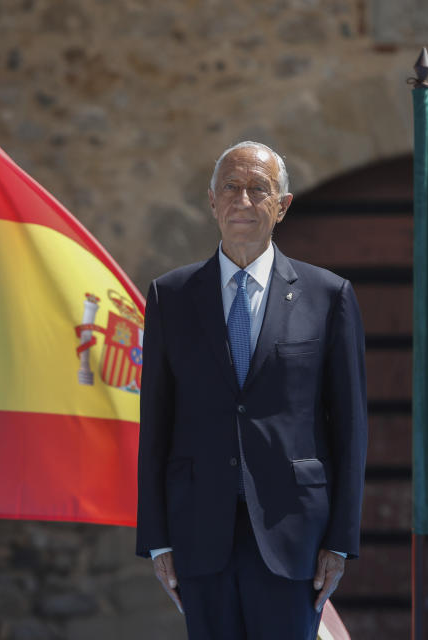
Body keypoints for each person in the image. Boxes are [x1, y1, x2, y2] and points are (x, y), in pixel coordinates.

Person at [136, 141, 367, 639]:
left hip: (295, 534)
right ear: (212, 202)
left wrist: (340, 541)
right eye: (230, 188)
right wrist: (157, 540)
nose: (242, 201)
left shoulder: (329, 297)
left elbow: (350, 428)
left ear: (281, 206)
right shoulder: (169, 296)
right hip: (199, 530)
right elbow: (155, 422)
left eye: (258, 189)